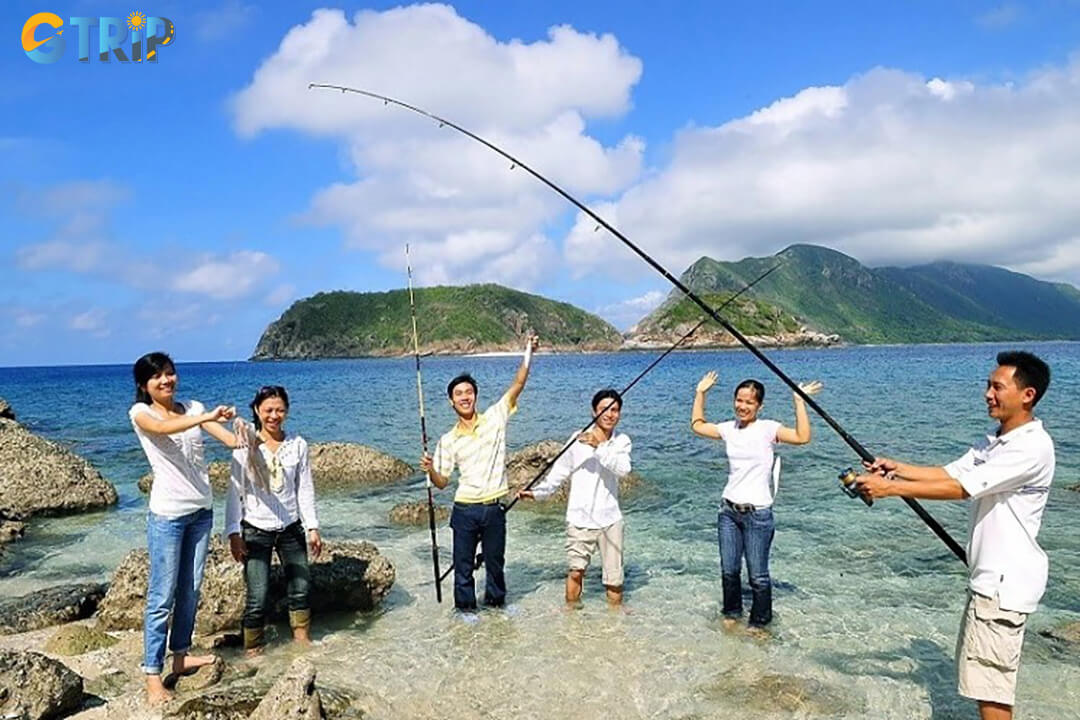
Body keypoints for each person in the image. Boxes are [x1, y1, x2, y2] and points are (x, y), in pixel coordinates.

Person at [854, 351, 1054, 720]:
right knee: (984, 688)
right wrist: (896, 470)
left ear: (1028, 395)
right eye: (987, 385)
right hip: (989, 582)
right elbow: (950, 473)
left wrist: (889, 489)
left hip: (1003, 587)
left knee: (992, 693)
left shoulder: (1030, 447)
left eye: (997, 387)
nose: (987, 393)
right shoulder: (997, 441)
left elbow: (964, 488)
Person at [129, 352, 240, 705]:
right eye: (158, 376)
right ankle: (152, 674)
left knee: (191, 590)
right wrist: (206, 416)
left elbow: (229, 440)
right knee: (162, 595)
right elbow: (164, 430)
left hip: (201, 512)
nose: (166, 380)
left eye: (170, 373)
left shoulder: (192, 406)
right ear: (144, 385)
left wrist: (251, 428)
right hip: (168, 515)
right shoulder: (140, 413)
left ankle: (179, 655)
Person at [691, 370, 822, 632]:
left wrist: (799, 400)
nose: (742, 406)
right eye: (739, 400)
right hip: (728, 511)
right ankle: (731, 614)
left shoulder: (768, 429)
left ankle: (760, 623)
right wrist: (700, 392)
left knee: (758, 576)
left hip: (758, 514)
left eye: (749, 402)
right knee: (729, 570)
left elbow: (802, 437)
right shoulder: (728, 429)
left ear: (759, 405)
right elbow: (697, 425)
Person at [420, 335, 539, 611]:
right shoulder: (447, 440)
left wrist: (529, 352)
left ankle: (497, 609)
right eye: (458, 394)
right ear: (451, 402)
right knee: (463, 568)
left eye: (468, 392)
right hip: (464, 511)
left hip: (494, 508)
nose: (465, 397)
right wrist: (431, 469)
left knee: (496, 564)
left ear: (475, 395)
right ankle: (465, 612)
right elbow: (441, 483)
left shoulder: (496, 418)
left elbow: (518, 383)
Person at [225, 385, 323, 655]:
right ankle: (253, 650)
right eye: (268, 410)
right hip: (256, 530)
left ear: (287, 411)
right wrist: (233, 533)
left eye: (280, 410)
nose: (274, 415)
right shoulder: (244, 445)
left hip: (291, 528)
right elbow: (235, 491)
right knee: (257, 595)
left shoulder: (297, 445)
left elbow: (304, 488)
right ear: (257, 410)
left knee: (301, 587)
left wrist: (312, 527)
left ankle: (302, 643)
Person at [518, 389, 632, 607]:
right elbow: (558, 473)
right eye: (604, 410)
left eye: (615, 410)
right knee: (576, 572)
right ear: (594, 412)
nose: (610, 414)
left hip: (611, 520)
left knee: (614, 581)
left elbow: (623, 469)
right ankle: (572, 624)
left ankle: (617, 630)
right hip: (579, 519)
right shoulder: (576, 439)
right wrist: (537, 493)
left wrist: (599, 447)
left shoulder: (622, 441)